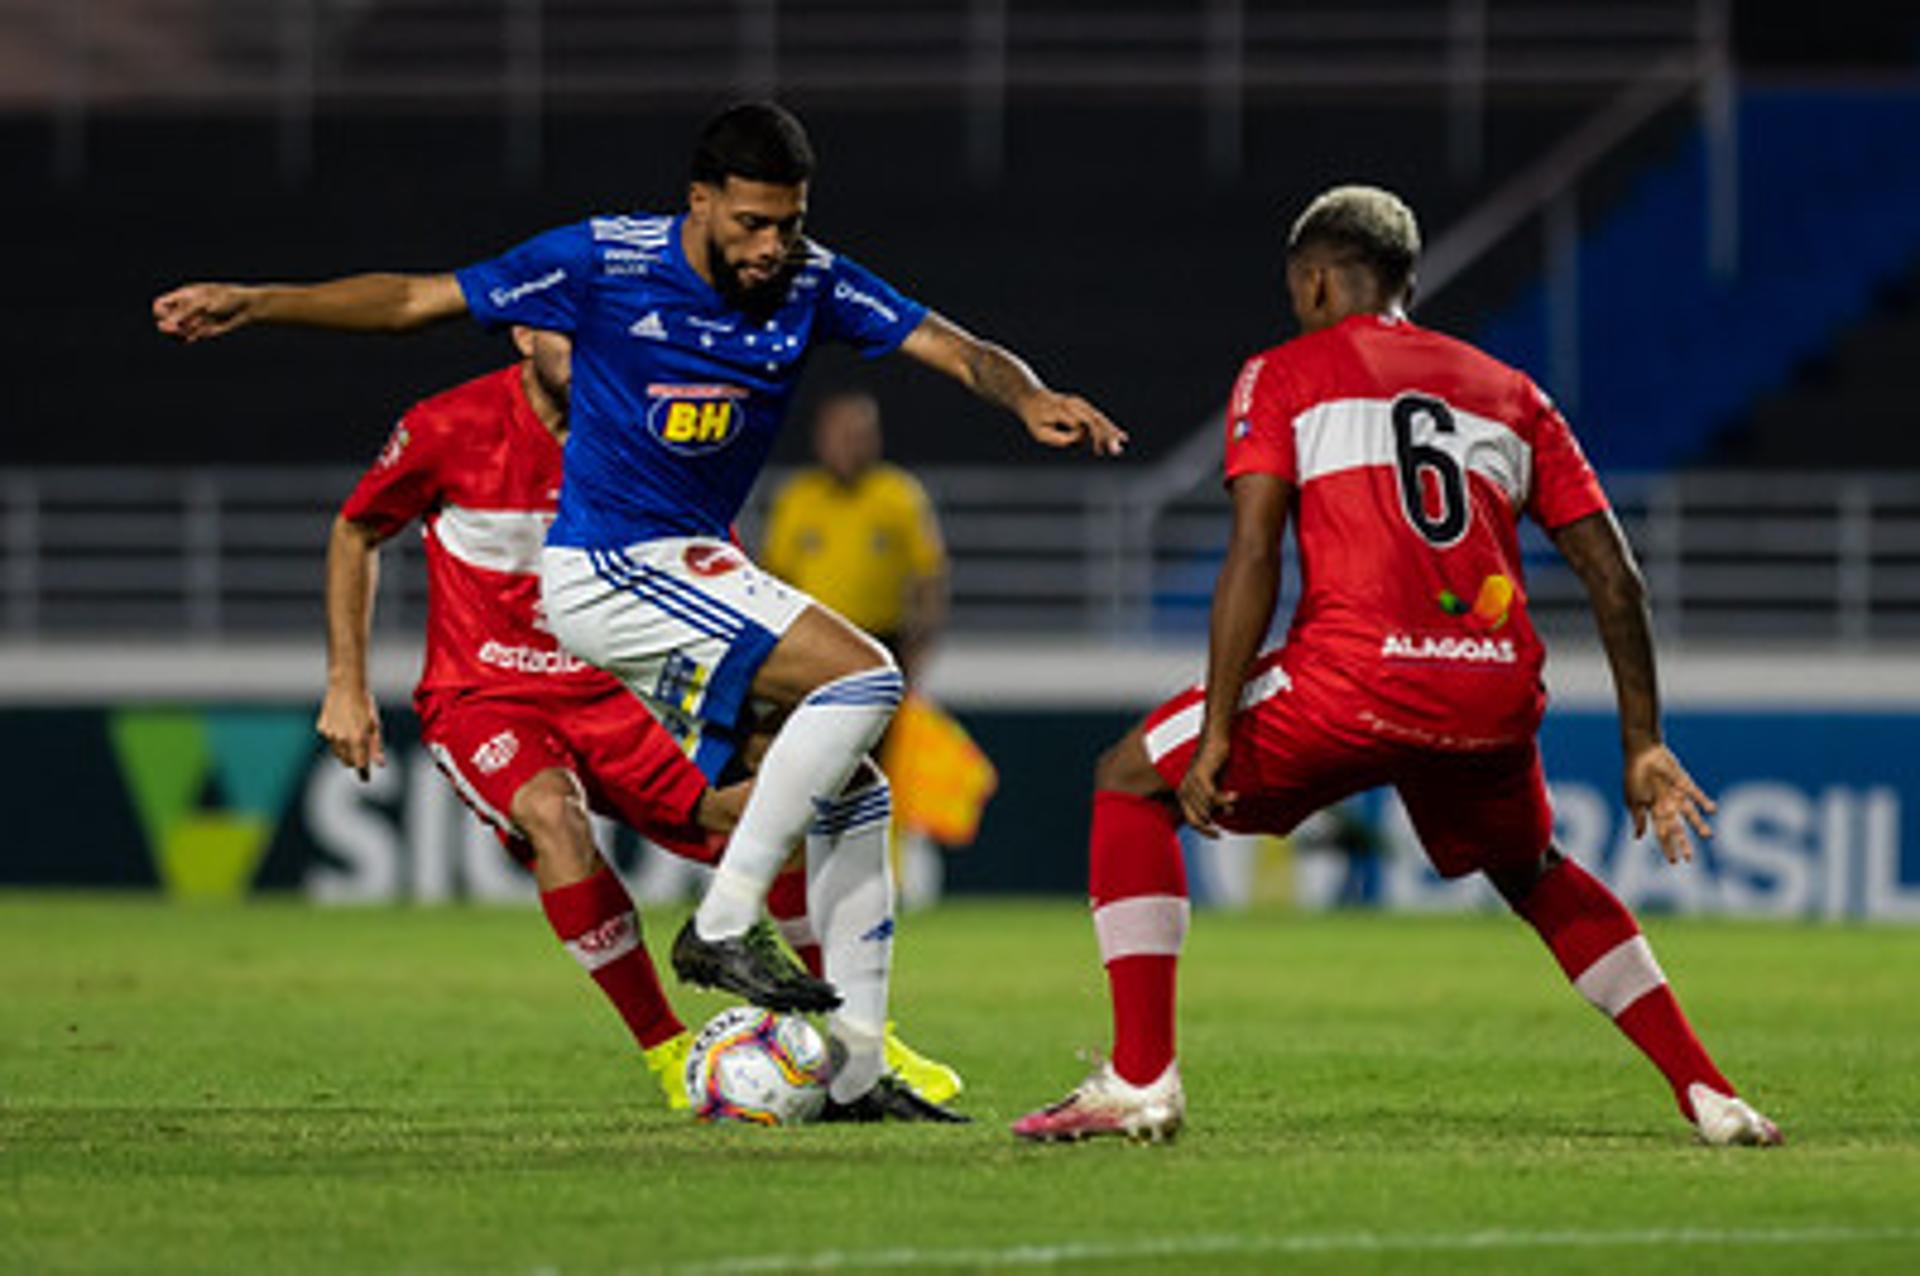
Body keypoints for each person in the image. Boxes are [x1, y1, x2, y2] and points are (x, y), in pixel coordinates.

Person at [155, 101, 1121, 1120]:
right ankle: (720, 930)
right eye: (751, 223)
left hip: (660, 598)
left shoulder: (812, 280)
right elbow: (410, 301)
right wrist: (260, 302)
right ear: (699, 203)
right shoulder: (601, 264)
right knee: (863, 677)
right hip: (607, 573)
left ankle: (858, 1065)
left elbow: (955, 345)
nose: (771, 245)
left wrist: (1025, 395)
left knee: (853, 791)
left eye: (788, 222)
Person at [1011, 186, 1782, 1148]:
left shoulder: (1284, 372)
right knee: (1534, 871)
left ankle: (1140, 1081)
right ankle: (1710, 1093)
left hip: (1351, 683)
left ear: (1316, 279)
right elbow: (1615, 579)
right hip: (1490, 698)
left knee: (1129, 782)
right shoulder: (1510, 391)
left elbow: (1254, 555)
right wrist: (1644, 741)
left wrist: (1214, 735)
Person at [318, 325, 963, 1113]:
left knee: (783, 802)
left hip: (626, 687)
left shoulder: (648, 430)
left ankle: (857, 1040)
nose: (591, 353)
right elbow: (355, 530)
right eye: (569, 333)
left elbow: (709, 568)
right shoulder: (446, 426)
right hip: (489, 696)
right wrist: (346, 684)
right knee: (554, 816)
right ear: (523, 332)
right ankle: (668, 1051)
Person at [761, 389, 948, 685]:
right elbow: (775, 578)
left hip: (882, 644)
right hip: (813, 648)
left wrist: (919, 648)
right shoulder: (797, 497)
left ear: (874, 439)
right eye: (838, 434)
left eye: (856, 435)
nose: (847, 445)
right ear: (820, 439)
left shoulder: (899, 495)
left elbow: (929, 577)